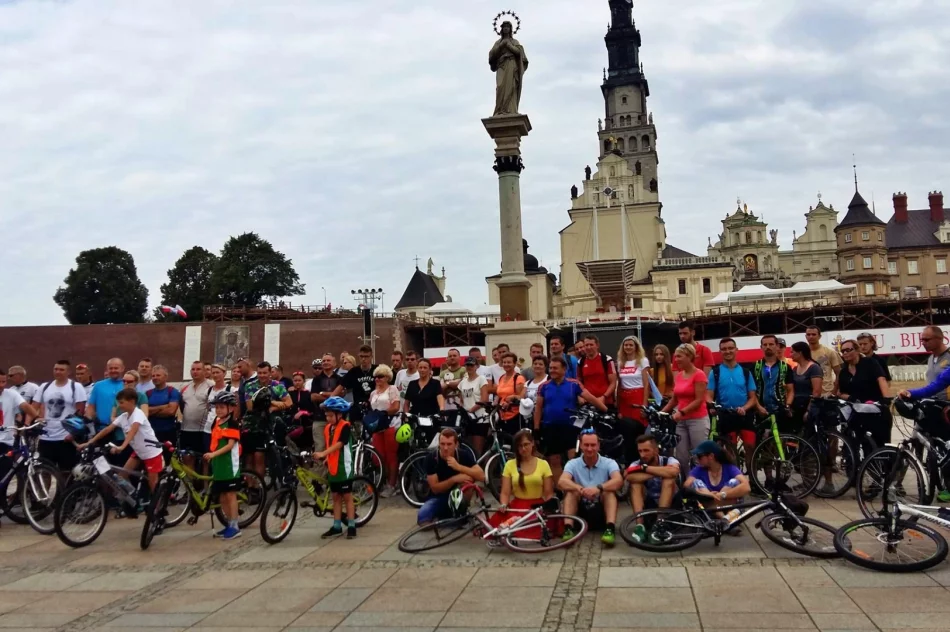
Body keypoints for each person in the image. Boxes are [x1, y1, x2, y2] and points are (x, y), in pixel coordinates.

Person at [80, 388, 163, 508]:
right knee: (122, 475)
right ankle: (133, 499)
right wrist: (90, 442)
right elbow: (108, 429)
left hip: (151, 452)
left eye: (122, 402)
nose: (119, 405)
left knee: (153, 483)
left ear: (132, 401)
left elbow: (133, 431)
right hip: (139, 451)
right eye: (118, 402)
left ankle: (159, 509)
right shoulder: (124, 416)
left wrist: (122, 446)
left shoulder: (138, 414)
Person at [534, 357, 608, 484]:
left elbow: (589, 397)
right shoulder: (543, 386)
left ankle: (575, 488)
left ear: (564, 369)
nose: (552, 371)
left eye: (555, 368)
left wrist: (605, 409)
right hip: (550, 427)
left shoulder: (574, 384)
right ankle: (561, 490)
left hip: (570, 426)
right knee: (554, 460)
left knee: (573, 458)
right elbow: (539, 407)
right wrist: (536, 428)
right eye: (550, 368)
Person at [558, 429, 623, 546]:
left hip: (601, 509)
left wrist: (599, 488)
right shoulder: (572, 463)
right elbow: (562, 481)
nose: (589, 449)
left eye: (593, 445)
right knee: (571, 492)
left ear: (598, 445)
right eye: (586, 445)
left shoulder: (609, 462)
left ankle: (610, 529)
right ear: (581, 445)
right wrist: (580, 489)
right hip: (579, 511)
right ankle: (568, 528)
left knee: (609, 492)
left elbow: (618, 481)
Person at [707, 338, 757, 473]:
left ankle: (753, 480)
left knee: (750, 446)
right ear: (720, 352)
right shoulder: (715, 372)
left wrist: (745, 408)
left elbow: (753, 398)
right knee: (731, 450)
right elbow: (709, 394)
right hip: (726, 415)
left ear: (736, 350)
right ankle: (735, 480)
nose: (727, 351)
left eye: (730, 348)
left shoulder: (746, 372)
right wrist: (712, 405)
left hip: (745, 414)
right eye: (724, 349)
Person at [491, 429, 554, 537]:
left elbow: (548, 493)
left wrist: (549, 509)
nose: (523, 448)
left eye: (526, 444)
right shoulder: (510, 464)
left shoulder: (543, 464)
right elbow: (505, 492)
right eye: (520, 446)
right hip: (517, 506)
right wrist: (503, 504)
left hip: (537, 507)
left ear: (532, 443)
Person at [418, 428, 485, 525]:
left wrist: (459, 467)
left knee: (467, 482)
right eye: (442, 444)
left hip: (457, 496)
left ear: (456, 445)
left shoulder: (463, 455)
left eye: (449, 444)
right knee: (423, 518)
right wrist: (454, 479)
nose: (445, 448)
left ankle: (460, 513)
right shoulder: (431, 459)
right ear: (439, 444)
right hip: (438, 497)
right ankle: (448, 519)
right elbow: (435, 488)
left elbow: (482, 476)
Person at [315, 397, 359, 539]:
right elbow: (330, 444)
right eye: (326, 415)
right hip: (333, 467)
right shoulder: (329, 428)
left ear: (339, 415)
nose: (327, 418)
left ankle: (352, 526)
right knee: (335, 497)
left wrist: (323, 453)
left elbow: (340, 444)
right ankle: (337, 525)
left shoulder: (345, 426)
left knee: (347, 497)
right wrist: (327, 458)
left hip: (344, 467)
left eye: (330, 415)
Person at [684, 440, 751, 532]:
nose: (698, 460)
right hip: (709, 508)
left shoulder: (729, 468)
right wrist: (709, 495)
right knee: (696, 483)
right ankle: (726, 522)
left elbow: (746, 487)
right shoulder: (698, 469)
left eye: (700, 457)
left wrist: (721, 495)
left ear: (711, 456)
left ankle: (724, 522)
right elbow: (686, 486)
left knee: (734, 482)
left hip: (727, 505)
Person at [624, 435, 680, 543]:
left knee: (668, 479)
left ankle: (659, 523)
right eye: (640, 451)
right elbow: (629, 477)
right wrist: (658, 473)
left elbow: (674, 472)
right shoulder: (636, 463)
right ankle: (639, 526)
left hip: (672, 505)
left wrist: (644, 469)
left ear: (655, 450)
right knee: (635, 484)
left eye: (646, 450)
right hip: (650, 504)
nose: (642, 454)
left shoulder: (669, 459)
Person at [32, 360, 87, 471]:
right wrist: (29, 423)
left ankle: (63, 489)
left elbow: (80, 411)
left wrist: (73, 433)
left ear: (68, 372)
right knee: (44, 471)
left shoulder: (76, 387)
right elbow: (33, 407)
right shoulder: (44, 387)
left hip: (65, 437)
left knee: (66, 471)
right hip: (46, 437)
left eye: (61, 370)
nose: (58, 372)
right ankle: (44, 489)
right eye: (56, 369)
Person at [661, 344, 710, 466]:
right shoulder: (678, 376)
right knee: (681, 457)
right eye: (675, 357)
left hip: (697, 420)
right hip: (681, 421)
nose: (676, 360)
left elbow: (699, 400)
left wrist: (682, 412)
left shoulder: (699, 374)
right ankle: (687, 482)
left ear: (689, 357)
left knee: (699, 456)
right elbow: (674, 400)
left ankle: (701, 482)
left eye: (679, 356)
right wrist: (661, 413)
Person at [242, 362, 292, 480]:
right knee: (249, 458)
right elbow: (250, 406)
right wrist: (274, 402)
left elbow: (289, 402)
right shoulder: (250, 385)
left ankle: (259, 487)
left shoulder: (278, 385)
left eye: (265, 373)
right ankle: (250, 488)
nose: (262, 375)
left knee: (259, 457)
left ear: (270, 373)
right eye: (259, 373)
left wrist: (272, 408)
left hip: (268, 425)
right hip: (251, 424)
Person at [837, 339, 891, 447]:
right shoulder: (843, 371)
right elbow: (838, 392)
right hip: (857, 412)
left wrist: (886, 398)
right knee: (864, 445)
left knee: (881, 444)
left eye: (848, 350)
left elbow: (881, 379)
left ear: (857, 350)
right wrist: (847, 397)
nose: (845, 353)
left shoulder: (870, 362)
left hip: (875, 409)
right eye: (843, 351)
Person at [204, 391, 242, 540]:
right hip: (218, 464)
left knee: (230, 494)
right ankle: (228, 523)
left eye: (221, 407)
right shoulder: (216, 422)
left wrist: (213, 454)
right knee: (221, 496)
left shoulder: (232, 423)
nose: (218, 410)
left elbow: (229, 445)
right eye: (216, 407)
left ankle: (235, 525)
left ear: (230, 409)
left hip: (229, 464)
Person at [0, 369, 39, 481]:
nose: (1, 385)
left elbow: (24, 406)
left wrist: (36, 417)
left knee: (5, 476)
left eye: (3, 382)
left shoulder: (11, 393)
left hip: (6, 441)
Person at [368, 364, 401, 497]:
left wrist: (382, 413)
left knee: (391, 456)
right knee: (379, 456)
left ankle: (392, 484)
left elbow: (396, 406)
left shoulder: (392, 389)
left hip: (390, 424)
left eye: (380, 376)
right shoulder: (373, 393)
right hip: (377, 427)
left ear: (387, 377)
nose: (377, 379)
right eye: (375, 377)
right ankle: (385, 480)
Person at [85, 358, 126, 451]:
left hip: (123, 431)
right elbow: (91, 407)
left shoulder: (127, 384)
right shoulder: (98, 385)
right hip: (103, 430)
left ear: (122, 368)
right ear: (107, 369)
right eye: (111, 368)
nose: (113, 370)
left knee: (121, 462)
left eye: (116, 368)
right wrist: (89, 425)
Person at [753, 335, 795, 421]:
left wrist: (787, 405)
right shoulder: (755, 366)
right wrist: (758, 407)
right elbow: (751, 391)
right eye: (765, 345)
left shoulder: (786, 367)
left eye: (771, 344)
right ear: (761, 347)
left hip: (780, 410)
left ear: (777, 346)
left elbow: (790, 390)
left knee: (782, 434)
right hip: (760, 411)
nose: (768, 347)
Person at [180, 360, 214, 462]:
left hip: (203, 430)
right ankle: (191, 478)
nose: (195, 372)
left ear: (204, 371)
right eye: (193, 369)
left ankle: (204, 478)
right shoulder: (184, 386)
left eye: (198, 369)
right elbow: (181, 406)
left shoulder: (211, 385)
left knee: (205, 460)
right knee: (187, 458)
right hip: (186, 429)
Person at [310, 353, 344, 455]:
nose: (325, 363)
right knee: (320, 446)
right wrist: (333, 395)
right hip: (319, 418)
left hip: (336, 419)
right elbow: (313, 397)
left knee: (334, 446)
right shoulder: (316, 379)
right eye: (323, 361)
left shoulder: (339, 379)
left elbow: (341, 396)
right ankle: (319, 471)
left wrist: (323, 394)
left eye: (328, 360)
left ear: (334, 363)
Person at [615, 336, 652, 427]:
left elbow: (646, 384)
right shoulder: (620, 362)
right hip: (624, 398)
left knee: (638, 425)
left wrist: (644, 406)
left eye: (631, 345)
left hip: (638, 396)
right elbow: (619, 384)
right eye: (626, 345)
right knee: (625, 426)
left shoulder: (643, 361)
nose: (628, 347)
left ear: (636, 347)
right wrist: (618, 405)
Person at [458, 356, 491, 456]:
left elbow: (484, 399)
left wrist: (471, 410)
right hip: (467, 419)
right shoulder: (463, 382)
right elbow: (461, 399)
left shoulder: (481, 379)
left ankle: (480, 469)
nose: (469, 367)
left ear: (476, 366)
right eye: (467, 365)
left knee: (477, 449)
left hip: (480, 418)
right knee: (468, 448)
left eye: (471, 365)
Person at [789, 341, 824, 435]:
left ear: (800, 353)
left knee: (809, 435)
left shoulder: (814, 368)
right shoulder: (795, 369)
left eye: (792, 352)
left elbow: (816, 391)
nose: (790, 354)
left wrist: (809, 410)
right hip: (796, 407)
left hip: (808, 406)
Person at [145, 365, 182, 446]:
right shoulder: (148, 393)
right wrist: (162, 407)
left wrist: (151, 411)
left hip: (168, 432)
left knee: (166, 457)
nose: (155, 378)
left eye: (158, 375)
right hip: (151, 432)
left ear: (165, 377)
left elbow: (171, 412)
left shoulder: (172, 391)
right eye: (153, 376)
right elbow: (144, 412)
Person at [578, 334, 617, 406]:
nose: (589, 347)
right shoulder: (581, 362)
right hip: (588, 403)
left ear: (597, 345)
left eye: (591, 345)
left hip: (605, 402)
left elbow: (613, 383)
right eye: (586, 345)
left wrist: (604, 397)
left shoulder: (607, 360)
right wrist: (581, 396)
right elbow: (579, 381)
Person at [342, 345, 377, 424]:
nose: (363, 359)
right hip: (357, 410)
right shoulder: (353, 371)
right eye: (361, 356)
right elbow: (341, 386)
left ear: (371, 357)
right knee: (357, 434)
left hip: (374, 409)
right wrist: (329, 400)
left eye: (366, 356)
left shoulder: (377, 370)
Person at [493, 352, 526, 434]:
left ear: (514, 364)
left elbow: (521, 397)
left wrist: (512, 399)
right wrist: (495, 403)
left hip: (514, 415)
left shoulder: (518, 378)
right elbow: (499, 394)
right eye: (504, 362)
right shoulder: (501, 378)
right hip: (501, 415)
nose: (506, 364)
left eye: (509, 362)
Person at [804, 325, 841, 397]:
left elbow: (839, 373)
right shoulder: (803, 353)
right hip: (809, 393)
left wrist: (834, 392)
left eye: (814, 334)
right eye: (808, 334)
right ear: (805, 336)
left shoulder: (829, 352)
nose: (811, 336)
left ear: (819, 336)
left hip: (827, 393)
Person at [918, 326, 950, 401]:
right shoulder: (930, 358)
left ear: (939, 338)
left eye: (927, 340)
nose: (923, 343)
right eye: (922, 340)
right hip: (933, 404)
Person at [439, 349, 466, 420]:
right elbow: (441, 388)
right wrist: (454, 382)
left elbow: (462, 384)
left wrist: (447, 383)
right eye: (450, 356)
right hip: (446, 403)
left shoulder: (464, 370)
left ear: (459, 357)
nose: (452, 357)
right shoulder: (443, 373)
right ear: (447, 358)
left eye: (454, 355)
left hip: (461, 401)